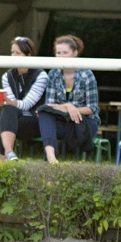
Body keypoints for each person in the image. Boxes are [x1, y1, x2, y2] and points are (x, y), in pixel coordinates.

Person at [0, 36, 48, 160]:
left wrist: (0, 102)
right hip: (18, 120)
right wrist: (3, 101)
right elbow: (11, 103)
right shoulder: (7, 76)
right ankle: (9, 152)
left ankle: (3, 156)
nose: (13, 56)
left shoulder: (41, 75)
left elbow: (26, 105)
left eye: (17, 53)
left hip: (38, 120)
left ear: (29, 55)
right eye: (12, 52)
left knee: (6, 114)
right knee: (8, 112)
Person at [37, 35, 100, 164]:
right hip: (62, 120)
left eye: (65, 53)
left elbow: (92, 108)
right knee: (44, 113)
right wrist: (67, 106)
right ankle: (51, 158)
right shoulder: (53, 74)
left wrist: (72, 108)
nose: (61, 56)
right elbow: (49, 105)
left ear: (75, 53)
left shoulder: (87, 74)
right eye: (58, 53)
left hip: (83, 122)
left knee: (48, 117)